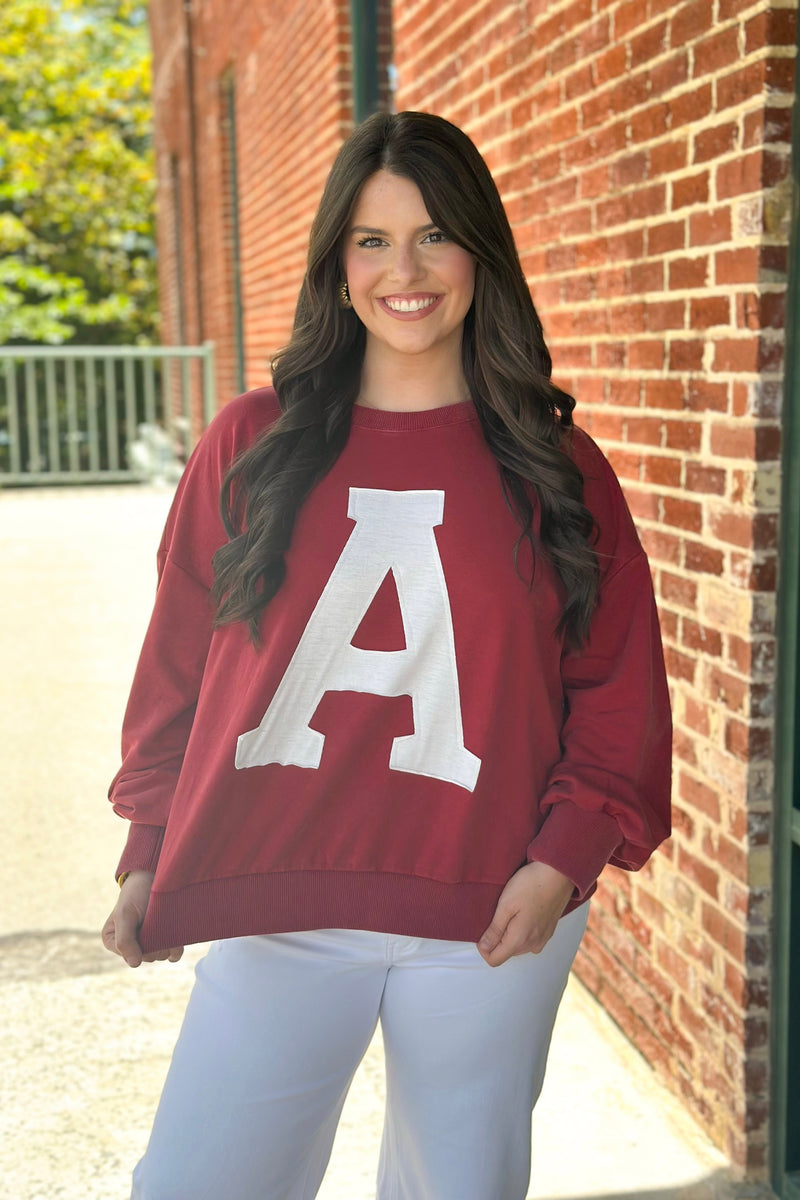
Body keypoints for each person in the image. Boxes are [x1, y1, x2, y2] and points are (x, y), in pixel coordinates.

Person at [102, 110, 672, 1200]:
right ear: (336, 260)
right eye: (370, 240)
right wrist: (147, 845)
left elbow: (616, 689)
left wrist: (560, 862)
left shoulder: (555, 465)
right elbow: (179, 660)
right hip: (275, 893)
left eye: (432, 236)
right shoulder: (253, 442)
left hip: (490, 910)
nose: (401, 271)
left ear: (478, 252)